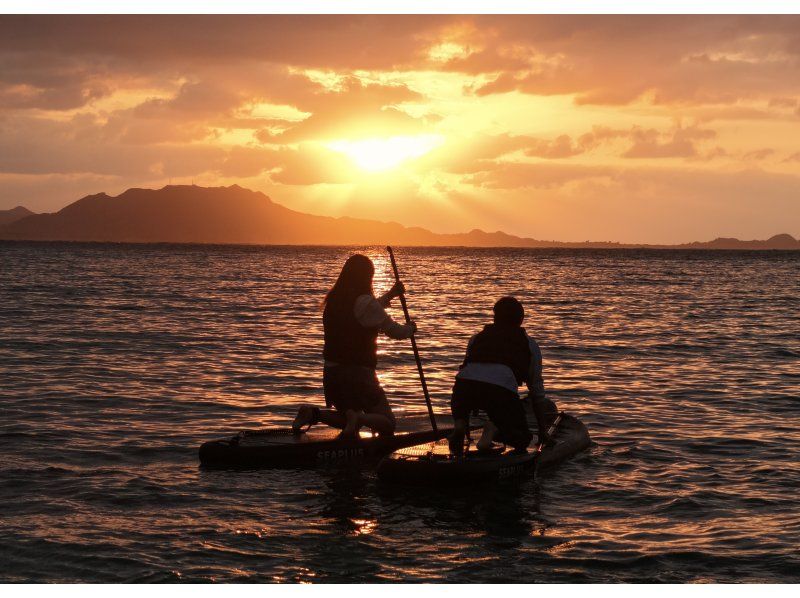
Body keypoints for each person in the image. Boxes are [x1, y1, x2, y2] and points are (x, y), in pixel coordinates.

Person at [292, 254, 416, 438]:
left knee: (347, 418)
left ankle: (313, 414)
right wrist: (411, 329)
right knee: (388, 423)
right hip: (358, 375)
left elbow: (366, 311)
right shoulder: (364, 302)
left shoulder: (334, 300)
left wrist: (390, 295)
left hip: (332, 373)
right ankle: (358, 419)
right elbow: (395, 331)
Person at [449, 296, 557, 455]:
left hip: (463, 388)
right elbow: (536, 392)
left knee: (467, 398)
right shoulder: (529, 345)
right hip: (500, 392)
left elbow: (467, 369)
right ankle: (492, 429)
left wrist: (465, 421)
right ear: (521, 320)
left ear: (494, 318)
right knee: (522, 440)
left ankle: (459, 425)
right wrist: (543, 431)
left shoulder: (476, 338)